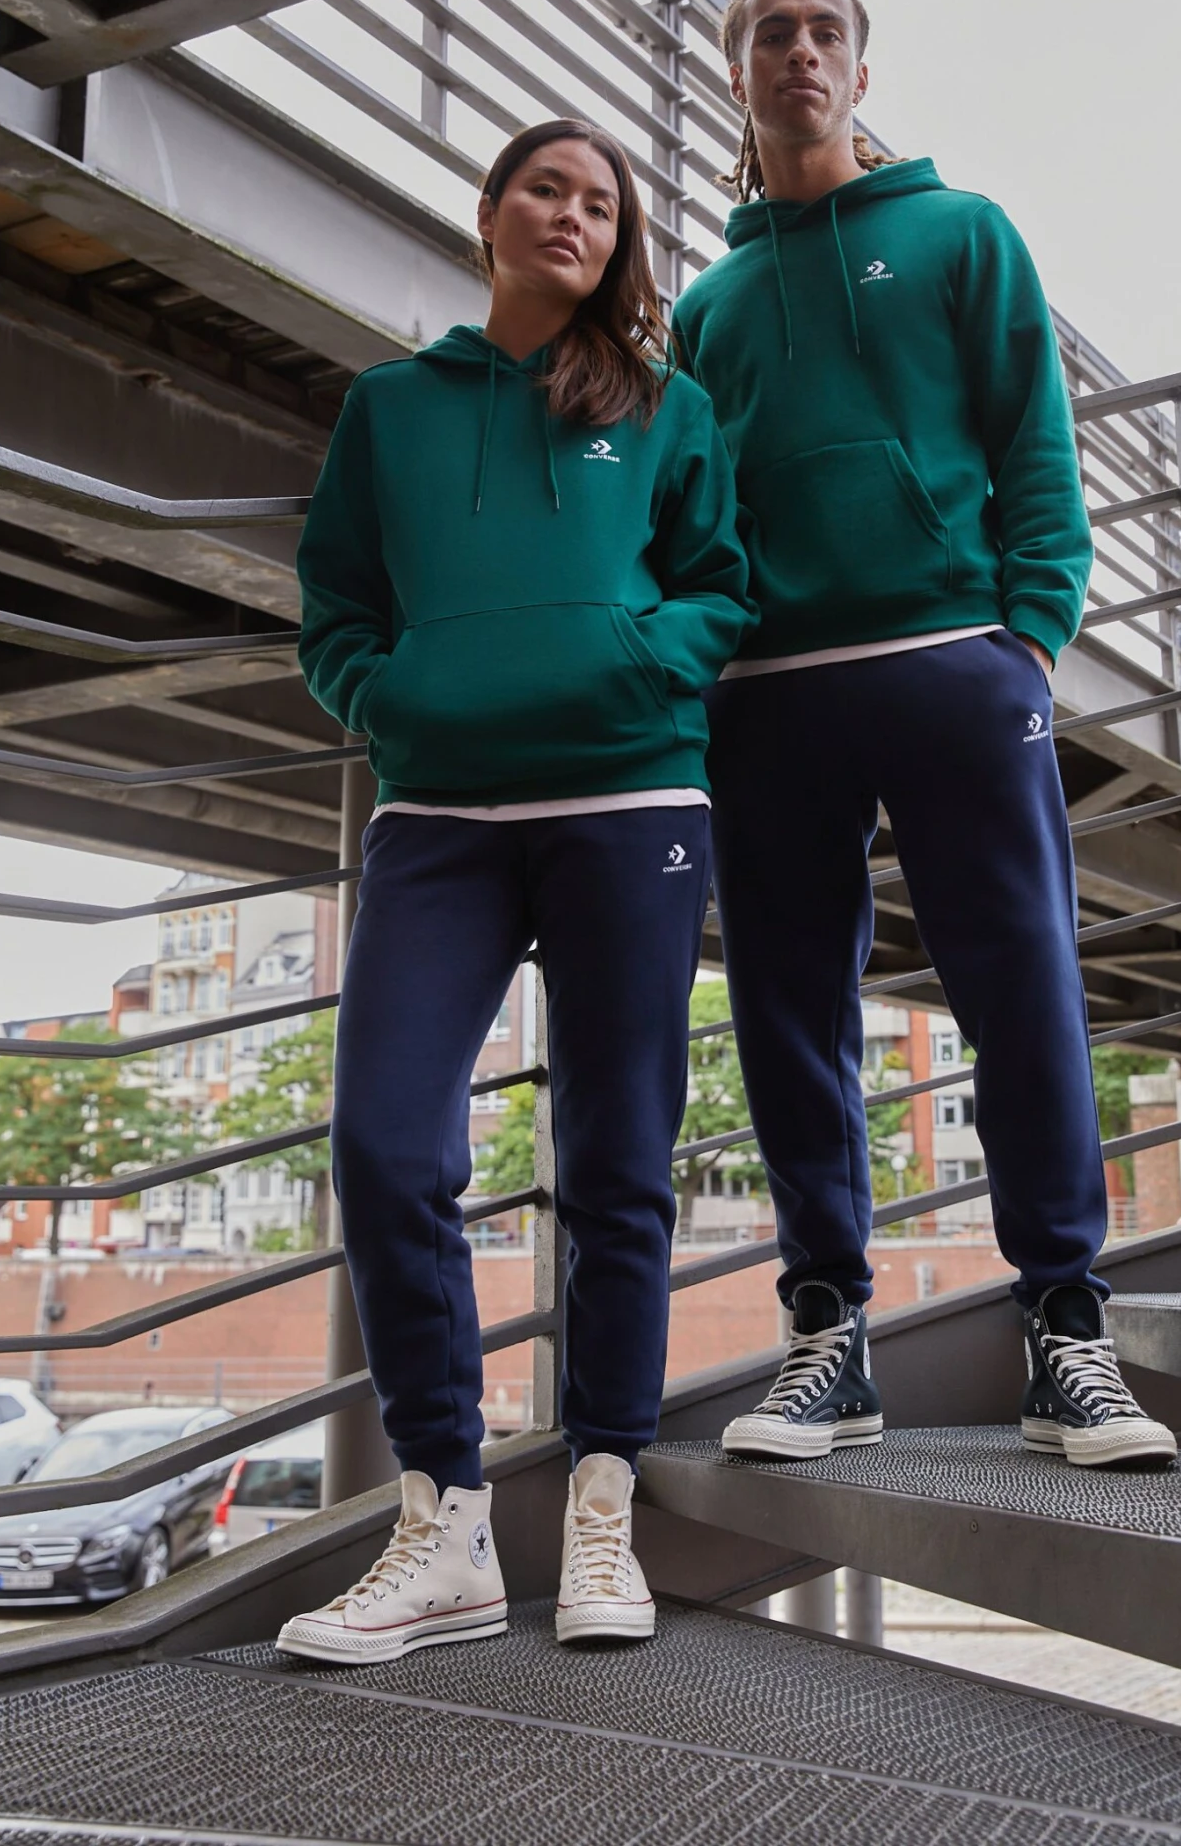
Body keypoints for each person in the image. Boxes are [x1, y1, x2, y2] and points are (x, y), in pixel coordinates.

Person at [672, 0, 1175, 1470]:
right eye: (773, 33)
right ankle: (829, 1338)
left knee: (1021, 984)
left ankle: (1067, 1331)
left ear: (860, 73)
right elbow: (694, 513)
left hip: (958, 659)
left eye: (825, 31)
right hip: (771, 692)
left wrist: (1031, 636)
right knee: (787, 1011)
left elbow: (1034, 440)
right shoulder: (706, 306)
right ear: (739, 76)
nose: (801, 51)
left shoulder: (962, 233)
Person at [278, 118, 753, 1663]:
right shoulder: (391, 406)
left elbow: (722, 586)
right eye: (547, 187)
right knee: (382, 1143)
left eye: (602, 203)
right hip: (439, 814)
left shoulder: (667, 408)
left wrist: (638, 657)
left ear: (619, 244)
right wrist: (388, 694)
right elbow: (335, 604)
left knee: (616, 1158)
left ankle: (604, 1497)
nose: (573, 215)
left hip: (630, 800)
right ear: (491, 211)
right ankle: (447, 1522)